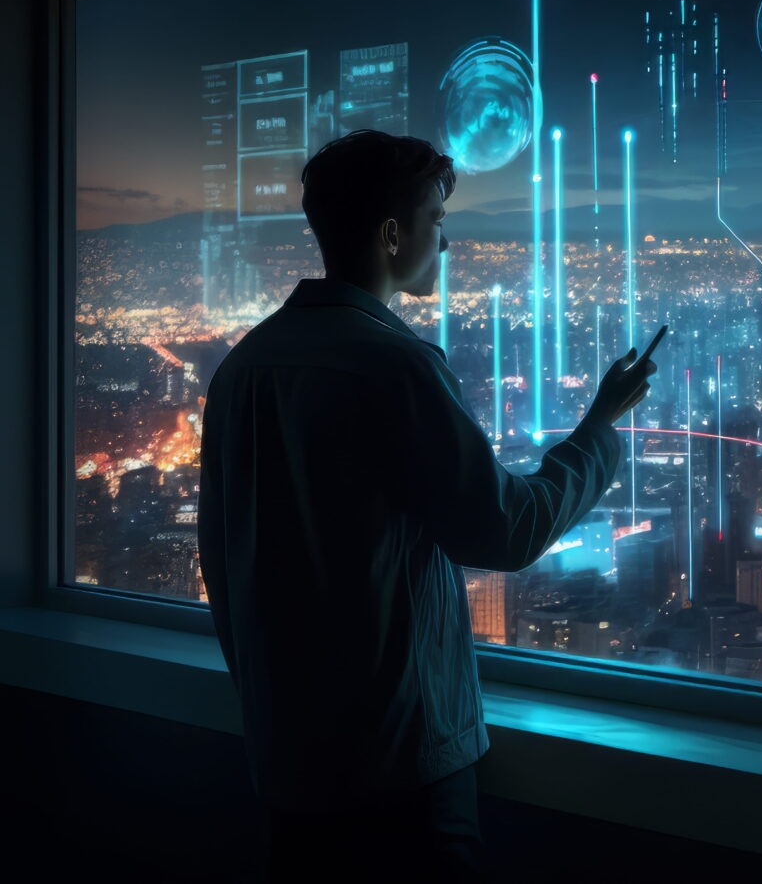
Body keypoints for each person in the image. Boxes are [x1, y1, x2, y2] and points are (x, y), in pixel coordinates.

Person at [196, 129, 657, 881]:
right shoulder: (396, 365)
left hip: (288, 757)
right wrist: (598, 433)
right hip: (400, 760)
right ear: (391, 235)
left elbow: (221, 557)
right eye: (435, 220)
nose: (444, 241)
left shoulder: (243, 368)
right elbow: (504, 529)